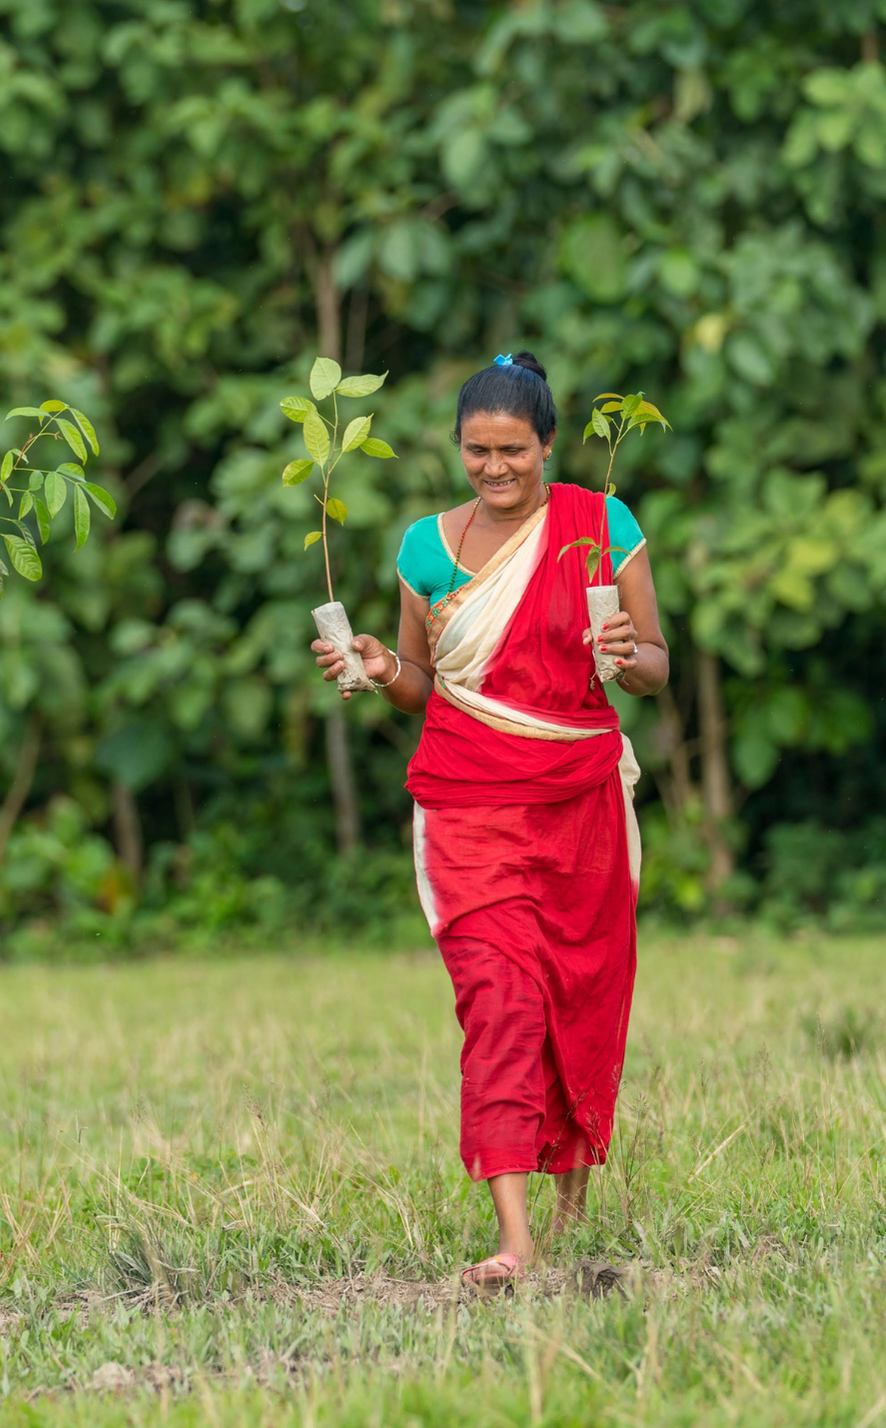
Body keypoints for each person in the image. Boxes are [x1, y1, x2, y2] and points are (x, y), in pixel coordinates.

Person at [312, 352, 668, 1291]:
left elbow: (656, 665)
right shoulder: (423, 547)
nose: (496, 468)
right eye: (478, 451)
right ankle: (513, 1235)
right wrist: (380, 666)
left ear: (549, 446)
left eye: (514, 450)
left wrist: (628, 656)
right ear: (459, 447)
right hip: (466, 801)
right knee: (500, 1003)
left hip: (578, 800)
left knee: (577, 997)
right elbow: (424, 684)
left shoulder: (602, 525)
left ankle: (572, 1202)